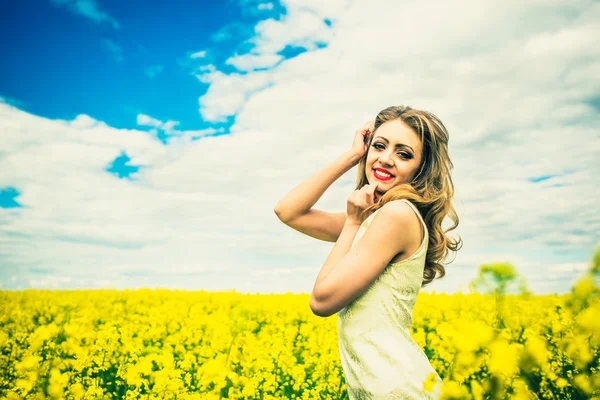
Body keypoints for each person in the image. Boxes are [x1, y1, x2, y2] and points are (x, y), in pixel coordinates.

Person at [274, 105, 462, 399]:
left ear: (420, 169)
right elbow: (288, 211)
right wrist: (352, 155)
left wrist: (351, 222)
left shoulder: (396, 216)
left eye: (404, 154)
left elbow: (322, 301)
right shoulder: (379, 217)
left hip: (397, 389)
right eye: (379, 146)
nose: (385, 159)